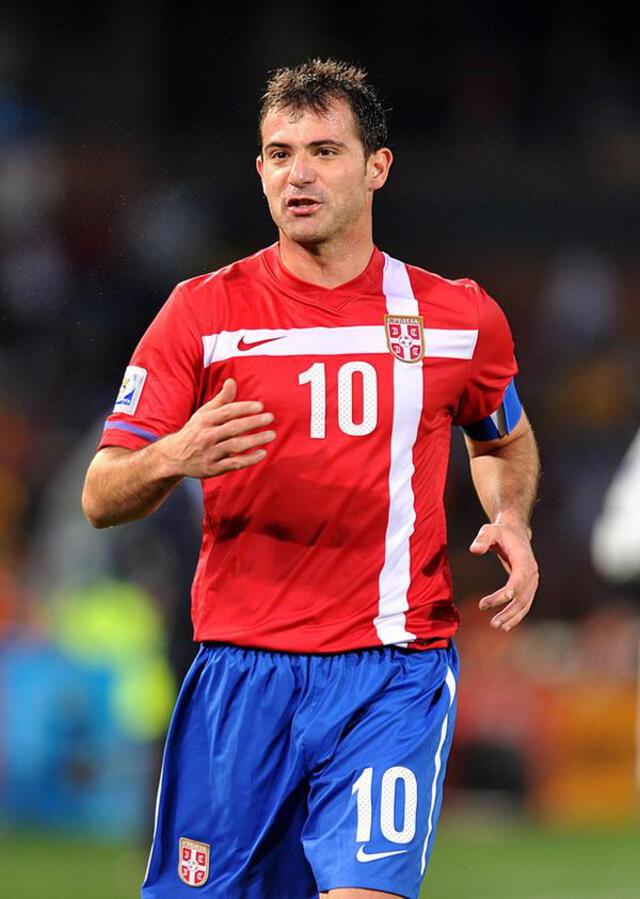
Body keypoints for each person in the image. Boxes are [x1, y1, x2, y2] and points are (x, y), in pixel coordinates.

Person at [82, 59, 540, 899]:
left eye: (325, 150)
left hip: (392, 671)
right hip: (241, 674)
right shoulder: (203, 313)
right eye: (279, 152)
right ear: (258, 169)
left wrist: (511, 516)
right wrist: (171, 455)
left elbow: (502, 437)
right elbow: (100, 493)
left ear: (378, 167)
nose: (299, 173)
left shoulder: (456, 316)